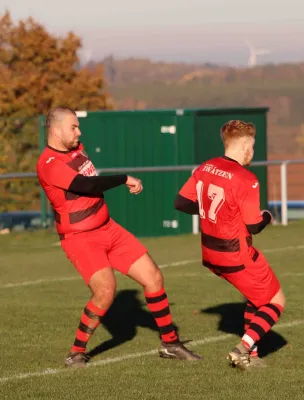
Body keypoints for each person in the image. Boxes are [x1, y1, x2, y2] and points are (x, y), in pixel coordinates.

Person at [36, 107, 200, 368]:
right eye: (74, 127)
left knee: (153, 277)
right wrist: (124, 178)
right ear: (56, 131)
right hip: (81, 238)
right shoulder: (50, 164)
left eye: (78, 126)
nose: (79, 131)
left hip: (109, 228)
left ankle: (170, 343)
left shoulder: (76, 149)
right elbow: (86, 185)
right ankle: (76, 352)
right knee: (105, 291)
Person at [174, 119, 285, 371]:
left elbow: (181, 203)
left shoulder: (205, 167)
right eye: (253, 146)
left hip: (210, 254)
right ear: (245, 144)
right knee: (275, 301)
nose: (252, 153)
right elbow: (254, 225)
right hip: (236, 254)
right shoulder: (246, 178)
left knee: (255, 297)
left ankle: (252, 356)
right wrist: (268, 215)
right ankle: (243, 348)